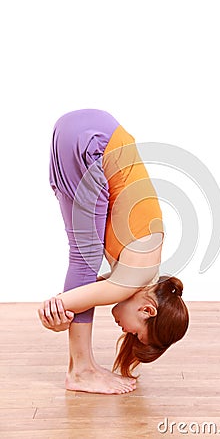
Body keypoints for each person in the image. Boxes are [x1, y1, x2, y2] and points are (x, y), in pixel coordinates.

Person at [38, 109, 189, 395]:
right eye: (133, 332)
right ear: (147, 310)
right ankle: (81, 371)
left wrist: (63, 311)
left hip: (85, 131)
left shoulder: (142, 267)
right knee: (85, 257)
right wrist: (56, 313)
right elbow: (64, 301)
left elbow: (84, 293)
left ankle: (83, 368)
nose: (123, 330)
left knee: (85, 256)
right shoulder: (133, 278)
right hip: (94, 143)